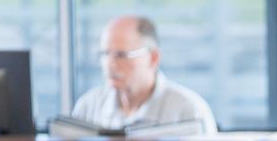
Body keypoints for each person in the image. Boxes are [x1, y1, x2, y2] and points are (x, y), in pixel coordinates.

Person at [72, 15, 217, 134]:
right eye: (105, 54)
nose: (110, 64)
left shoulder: (189, 111)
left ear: (153, 58)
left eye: (121, 55)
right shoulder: (88, 107)